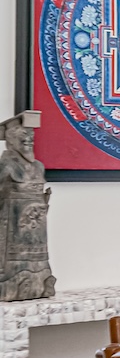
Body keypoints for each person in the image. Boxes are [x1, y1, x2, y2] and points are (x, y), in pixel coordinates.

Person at [0, 112, 55, 300]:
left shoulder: (38, 166)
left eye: (31, 136)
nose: (29, 139)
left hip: (36, 229)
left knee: (39, 262)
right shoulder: (5, 165)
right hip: (11, 227)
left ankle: (42, 283)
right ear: (10, 140)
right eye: (23, 135)